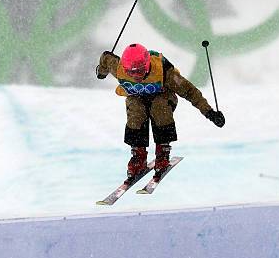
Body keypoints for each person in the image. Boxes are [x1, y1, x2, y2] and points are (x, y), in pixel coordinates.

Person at [96, 43, 225, 182]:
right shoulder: (119, 68)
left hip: (163, 97)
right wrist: (100, 71)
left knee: (158, 107)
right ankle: (138, 156)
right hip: (137, 97)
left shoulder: (163, 72)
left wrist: (209, 112)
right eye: (130, 72)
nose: (135, 76)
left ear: (146, 65)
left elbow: (190, 91)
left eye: (139, 71)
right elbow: (106, 58)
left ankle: (163, 151)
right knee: (136, 109)